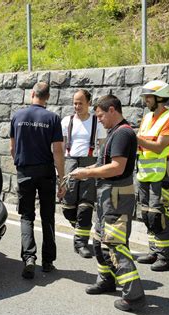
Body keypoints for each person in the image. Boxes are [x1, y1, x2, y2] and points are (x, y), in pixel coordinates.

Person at [71, 95, 145, 312]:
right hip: (107, 195)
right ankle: (107, 280)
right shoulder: (114, 132)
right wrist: (87, 171)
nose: (99, 120)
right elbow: (104, 162)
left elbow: (117, 167)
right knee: (99, 240)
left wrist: (88, 172)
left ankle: (134, 295)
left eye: (101, 115)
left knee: (114, 244)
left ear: (112, 110)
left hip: (116, 196)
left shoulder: (123, 133)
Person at [10, 82, 66, 279]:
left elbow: (12, 148)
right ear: (47, 97)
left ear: (32, 94)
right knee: (48, 215)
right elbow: (58, 151)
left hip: (25, 170)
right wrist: (62, 179)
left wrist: (20, 163)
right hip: (46, 172)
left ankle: (29, 258)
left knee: (26, 216)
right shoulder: (53, 118)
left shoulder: (17, 116)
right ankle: (48, 261)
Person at [136, 80, 169, 272]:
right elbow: (144, 145)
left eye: (149, 97)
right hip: (146, 172)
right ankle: (154, 250)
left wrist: (135, 138)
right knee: (147, 213)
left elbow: (160, 146)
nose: (146, 100)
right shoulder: (147, 118)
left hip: (163, 172)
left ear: (160, 97)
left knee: (158, 213)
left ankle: (166, 257)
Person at [61, 89, 106, 258]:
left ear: (88, 103)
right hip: (70, 162)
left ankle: (81, 243)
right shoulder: (67, 121)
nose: (77, 106)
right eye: (74, 103)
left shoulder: (97, 122)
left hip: (89, 162)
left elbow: (102, 147)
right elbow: (61, 146)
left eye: (80, 103)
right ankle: (80, 229)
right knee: (67, 206)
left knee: (85, 206)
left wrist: (98, 167)